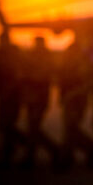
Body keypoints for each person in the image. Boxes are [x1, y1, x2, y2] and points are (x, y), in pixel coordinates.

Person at [58, 41, 93, 168]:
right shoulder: (68, 65)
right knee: (69, 130)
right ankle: (70, 156)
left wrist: (72, 95)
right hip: (69, 101)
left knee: (71, 129)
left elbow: (89, 84)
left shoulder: (83, 65)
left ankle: (92, 150)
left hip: (77, 102)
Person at [21, 36, 59, 168]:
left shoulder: (45, 59)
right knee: (32, 128)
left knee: (34, 128)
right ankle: (35, 155)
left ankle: (52, 150)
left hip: (39, 99)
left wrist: (28, 77)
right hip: (33, 98)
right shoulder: (34, 58)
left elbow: (41, 77)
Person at [0, 33, 28, 168]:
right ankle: (15, 148)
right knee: (4, 126)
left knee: (6, 125)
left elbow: (17, 77)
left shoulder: (12, 55)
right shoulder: (2, 54)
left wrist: (8, 93)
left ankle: (21, 145)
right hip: (5, 96)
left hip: (11, 97)